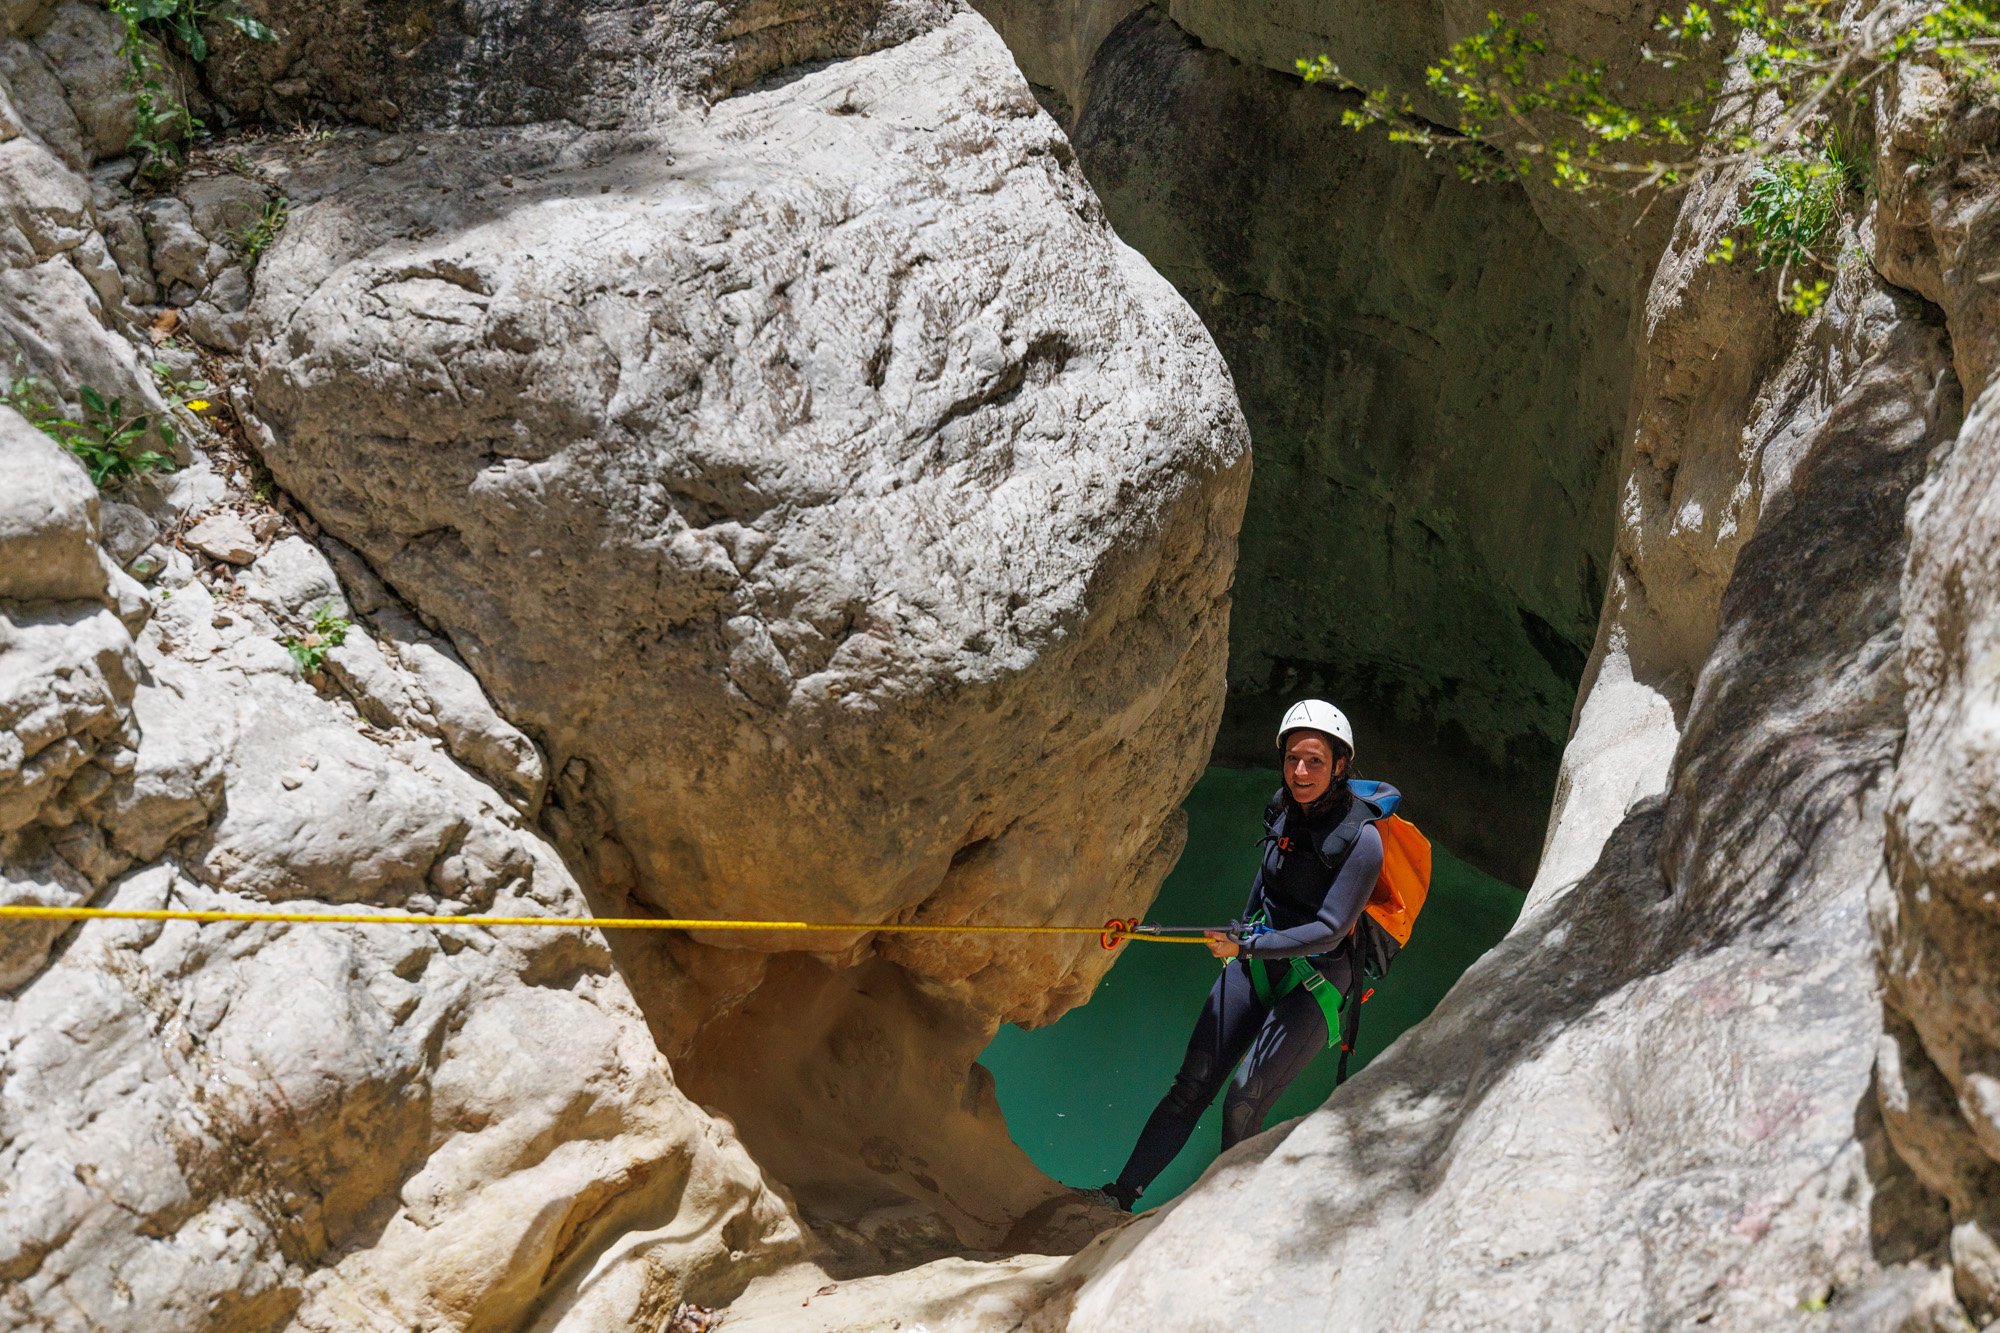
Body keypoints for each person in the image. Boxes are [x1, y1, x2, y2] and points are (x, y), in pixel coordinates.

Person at [1091, 699, 1397, 1212]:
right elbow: (1267, 877)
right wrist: (1244, 926)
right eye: (1292, 759)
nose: (1300, 772)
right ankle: (1119, 1196)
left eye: (1315, 761)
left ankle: (1222, 1218)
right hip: (1256, 953)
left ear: (1340, 765)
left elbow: (1328, 930)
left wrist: (1246, 944)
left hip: (1316, 979)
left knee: (1244, 1100)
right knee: (1191, 1085)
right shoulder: (1282, 807)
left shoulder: (1362, 841)